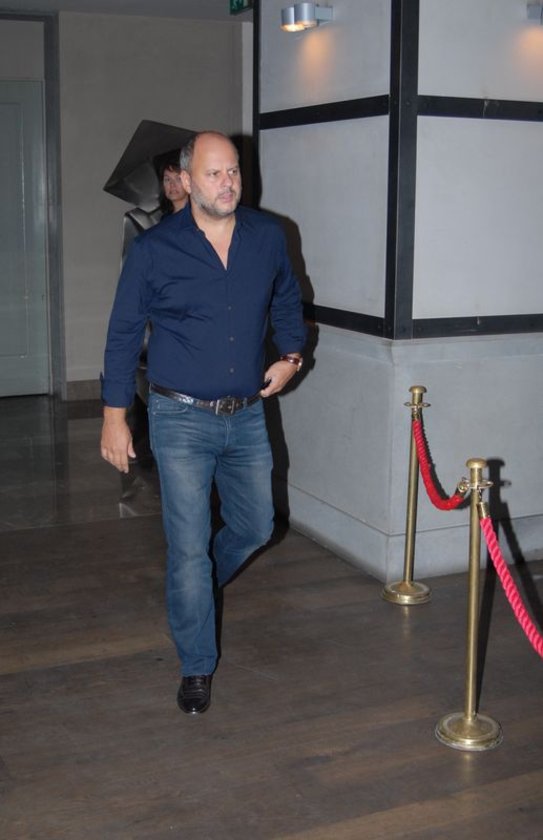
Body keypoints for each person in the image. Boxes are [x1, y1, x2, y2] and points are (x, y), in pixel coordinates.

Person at [100, 131, 306, 715]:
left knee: (257, 525)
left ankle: (194, 587)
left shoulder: (268, 236)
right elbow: (122, 334)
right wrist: (114, 417)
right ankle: (196, 664)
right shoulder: (155, 249)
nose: (228, 183)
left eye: (234, 171)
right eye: (214, 174)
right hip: (179, 417)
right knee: (188, 549)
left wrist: (291, 356)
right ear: (186, 181)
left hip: (247, 415)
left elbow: (287, 298)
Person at [156, 151, 188, 216]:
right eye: (167, 179)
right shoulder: (165, 218)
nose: (172, 184)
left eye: (178, 179)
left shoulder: (200, 214)